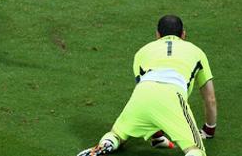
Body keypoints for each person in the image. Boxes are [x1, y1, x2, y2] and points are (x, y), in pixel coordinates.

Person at [77, 15, 217, 156]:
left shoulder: (142, 52)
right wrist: (209, 130)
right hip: (172, 95)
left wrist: (157, 137)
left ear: (157, 34)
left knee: (117, 134)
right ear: (183, 34)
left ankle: (107, 143)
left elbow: (150, 101)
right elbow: (210, 99)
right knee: (195, 149)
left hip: (142, 94)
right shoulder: (197, 52)